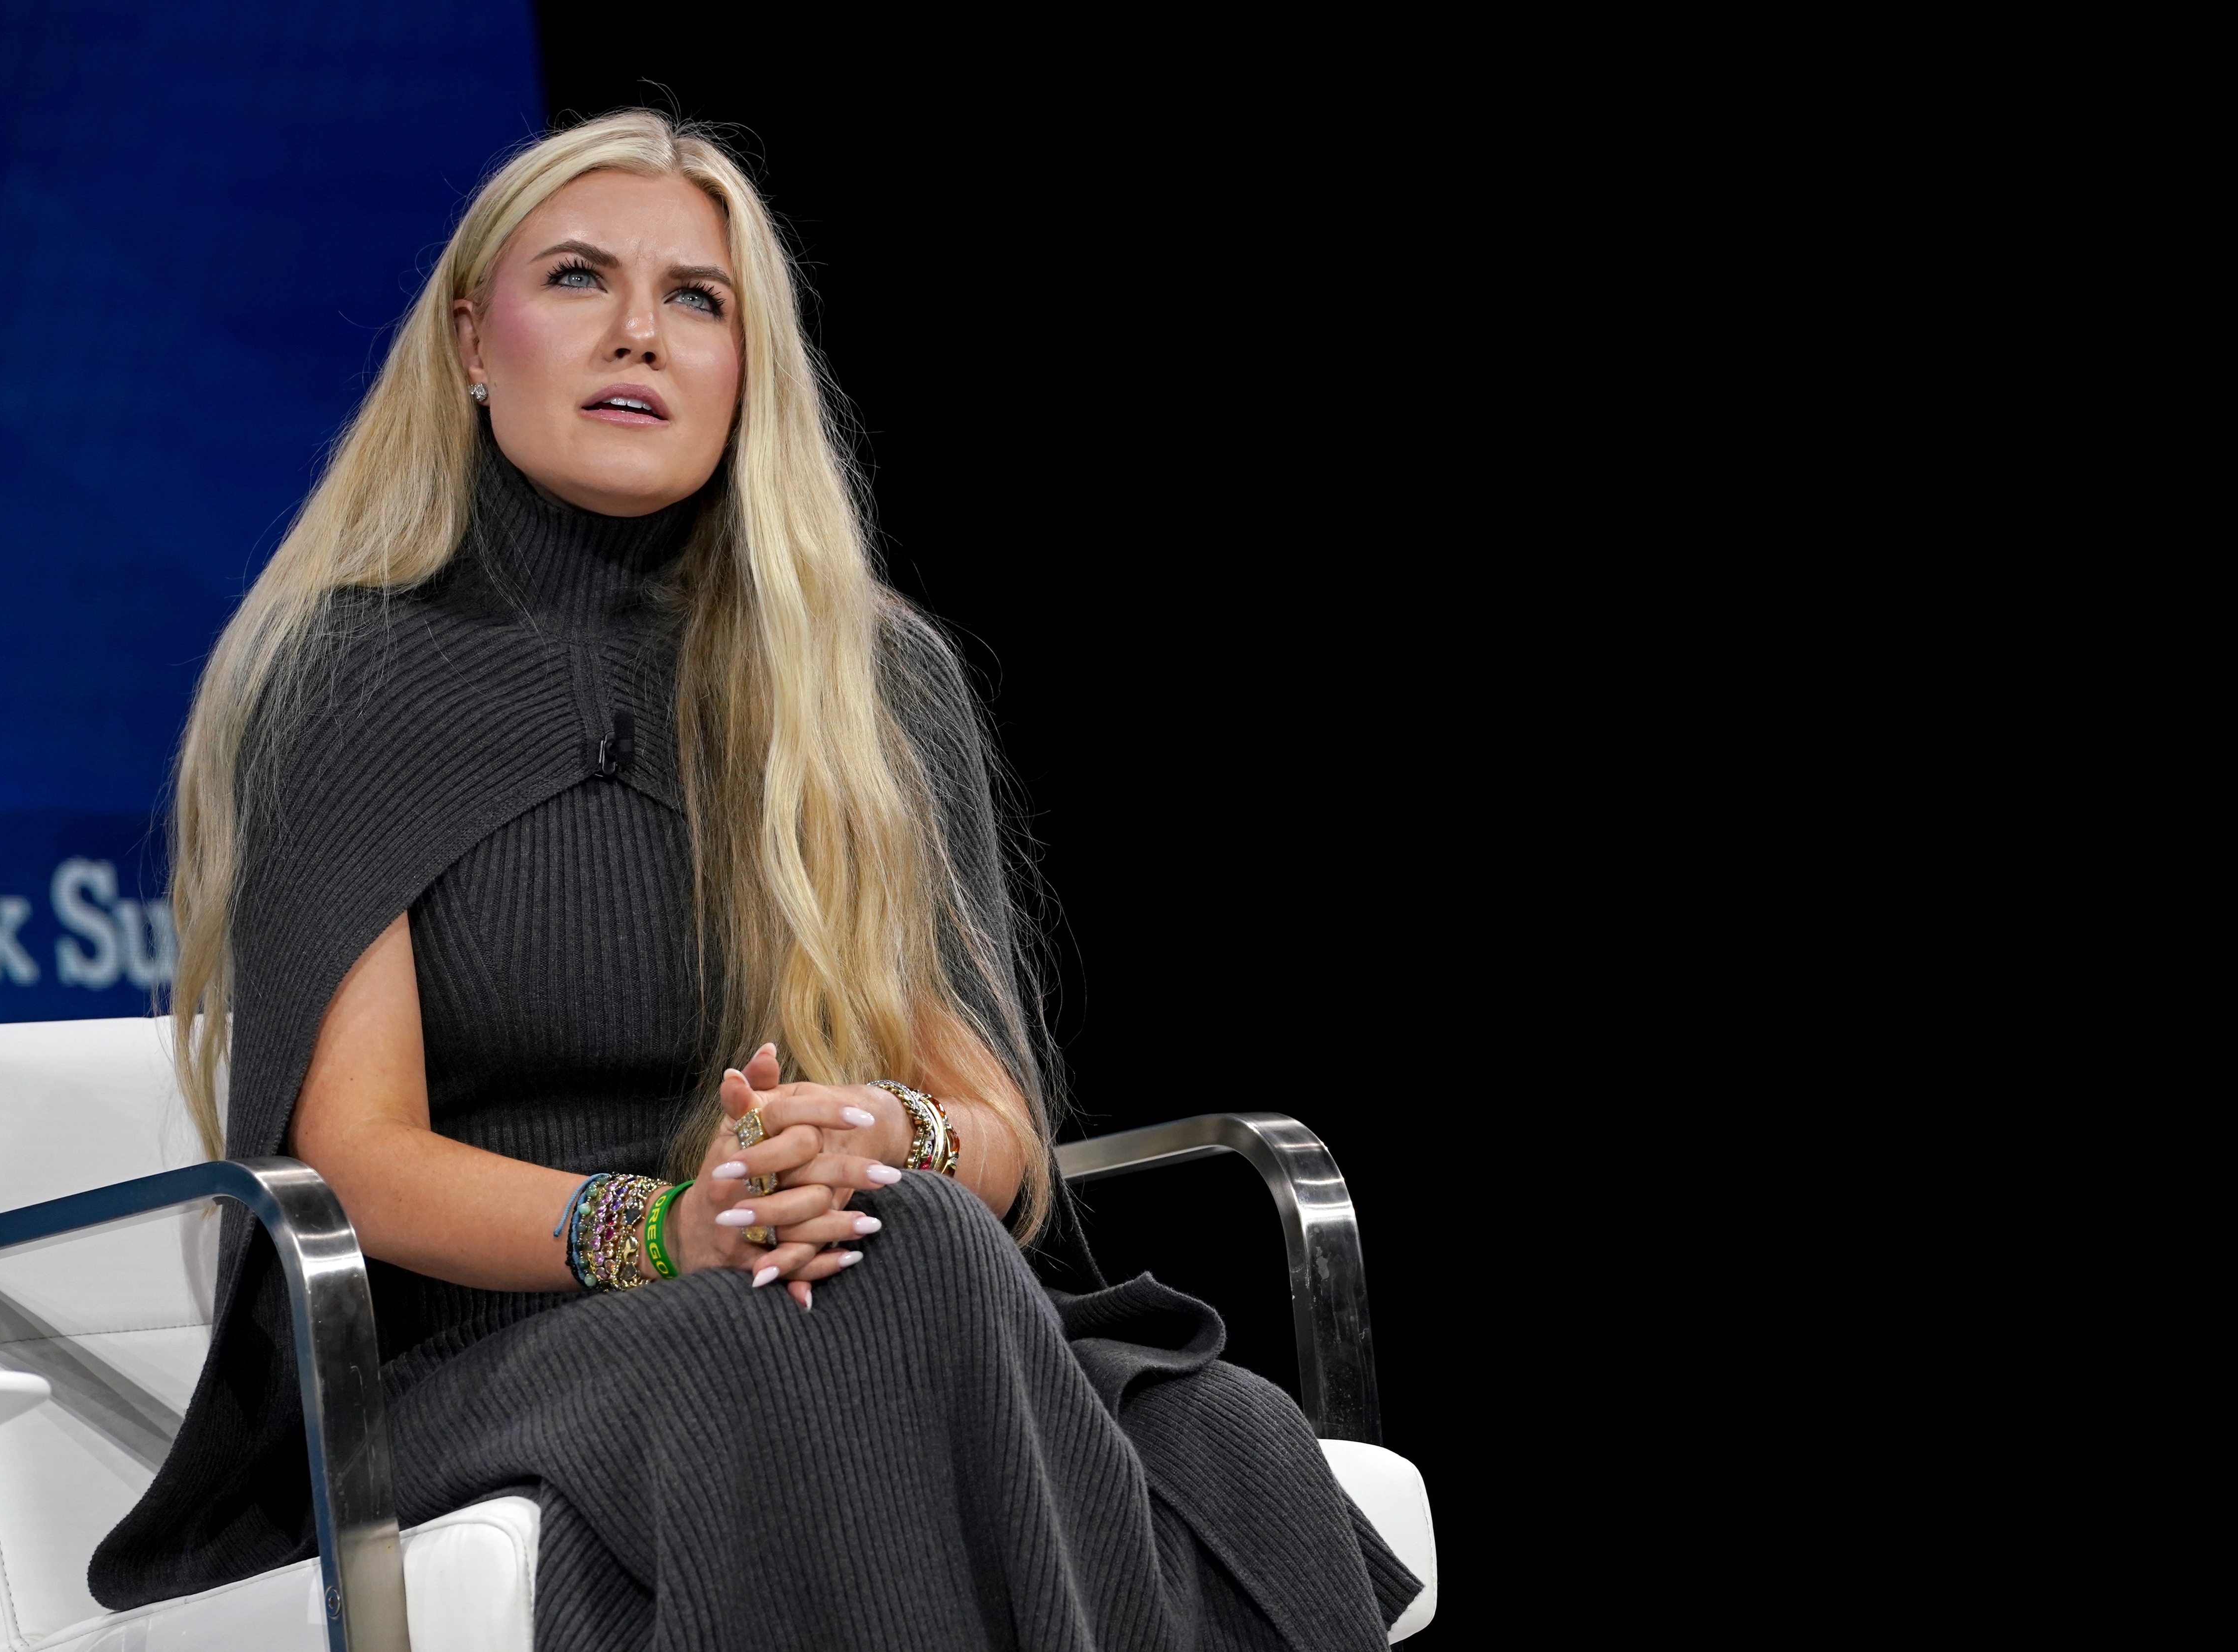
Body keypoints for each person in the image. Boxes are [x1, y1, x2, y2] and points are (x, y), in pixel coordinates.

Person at [91, 110, 1420, 1649]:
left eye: (697, 299)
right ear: (470, 342)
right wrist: (669, 1230)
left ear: (747, 367)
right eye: (578, 278)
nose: (639, 332)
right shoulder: (350, 674)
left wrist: (885, 1134)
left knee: (919, 1247)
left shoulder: (865, 678)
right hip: (486, 1355)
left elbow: (994, 1137)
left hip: (842, 1287)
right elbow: (360, 1161)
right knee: (850, 1309)